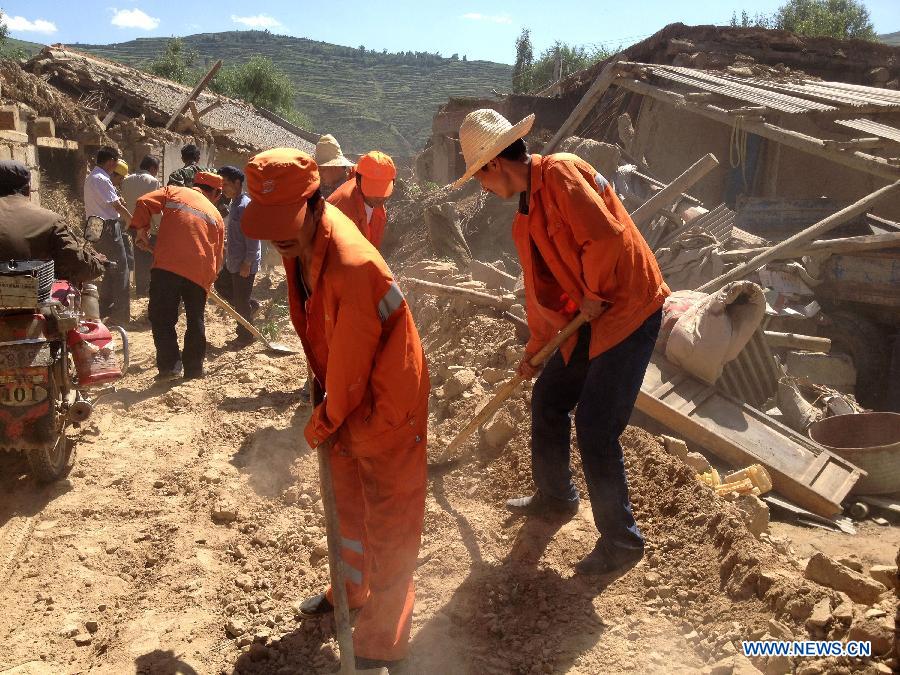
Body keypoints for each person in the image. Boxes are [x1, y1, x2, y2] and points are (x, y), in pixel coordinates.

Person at [451, 109, 670, 576]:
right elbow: (541, 295)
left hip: (629, 309)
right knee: (549, 396)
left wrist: (593, 291)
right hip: (592, 315)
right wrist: (536, 350)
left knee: (595, 426)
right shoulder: (524, 219)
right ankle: (555, 498)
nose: (482, 188)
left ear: (494, 164)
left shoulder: (562, 172)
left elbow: (605, 240)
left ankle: (622, 543)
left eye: (479, 178)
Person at [241, 148, 428, 672]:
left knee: (391, 523)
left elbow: (352, 374)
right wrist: (326, 399)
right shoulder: (299, 240)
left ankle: (378, 646)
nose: (276, 235)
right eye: (269, 223)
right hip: (345, 390)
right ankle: (350, 591)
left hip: (389, 402)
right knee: (347, 503)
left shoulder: (350, 262)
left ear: (314, 202)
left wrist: (319, 423)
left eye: (284, 222)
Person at [131, 172, 225, 381]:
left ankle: (170, 367)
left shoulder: (174, 191)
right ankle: (194, 371)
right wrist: (207, 282)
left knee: (162, 316)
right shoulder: (216, 215)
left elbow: (143, 202)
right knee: (195, 318)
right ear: (217, 193)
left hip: (168, 265)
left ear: (195, 184)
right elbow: (218, 256)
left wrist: (141, 231)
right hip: (199, 271)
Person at [0, 160, 104, 282]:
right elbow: (75, 262)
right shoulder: (50, 220)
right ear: (28, 189)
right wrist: (97, 263)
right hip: (29, 296)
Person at [83, 146, 132, 324]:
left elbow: (110, 203)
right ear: (111, 161)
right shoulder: (101, 178)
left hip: (94, 225)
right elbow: (117, 207)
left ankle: (104, 308)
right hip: (106, 227)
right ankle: (120, 314)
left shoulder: (92, 177)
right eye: (116, 162)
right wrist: (133, 221)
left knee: (108, 268)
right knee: (120, 269)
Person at [213, 165, 260, 346]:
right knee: (221, 285)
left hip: (243, 263)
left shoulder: (244, 205)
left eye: (226, 184)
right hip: (233, 261)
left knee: (240, 301)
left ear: (238, 183)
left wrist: (247, 262)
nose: (223, 188)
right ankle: (249, 307)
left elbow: (253, 237)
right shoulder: (234, 204)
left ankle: (246, 336)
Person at [327, 150, 396, 250]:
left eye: (383, 189)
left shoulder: (376, 206)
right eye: (373, 188)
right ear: (358, 182)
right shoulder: (344, 209)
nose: (380, 196)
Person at [121, 155, 161, 297]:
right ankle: (148, 290)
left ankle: (140, 290)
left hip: (131, 224)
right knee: (150, 258)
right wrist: (160, 227)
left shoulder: (126, 179)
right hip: (148, 226)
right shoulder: (153, 182)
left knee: (138, 256)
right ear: (152, 168)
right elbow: (155, 207)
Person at [314, 134, 354, 198]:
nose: (319, 173)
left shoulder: (353, 190)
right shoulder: (322, 187)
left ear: (335, 167)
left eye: (322, 169)